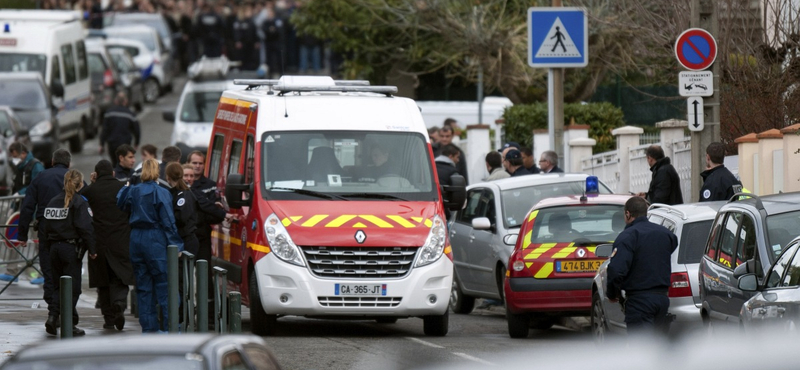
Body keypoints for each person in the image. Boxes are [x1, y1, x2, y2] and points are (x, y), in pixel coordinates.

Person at [117, 159, 184, 333]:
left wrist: (126, 186)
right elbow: (168, 221)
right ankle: (171, 328)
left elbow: (120, 203)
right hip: (154, 238)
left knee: (143, 287)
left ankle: (149, 329)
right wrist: (176, 244)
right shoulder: (161, 193)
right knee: (165, 284)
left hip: (136, 237)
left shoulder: (133, 191)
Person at [606, 197, 677, 336]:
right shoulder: (665, 234)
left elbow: (616, 270)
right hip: (662, 300)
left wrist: (612, 293)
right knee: (657, 346)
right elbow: (672, 245)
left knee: (641, 350)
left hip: (640, 301)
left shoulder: (627, 237)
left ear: (628, 214)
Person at [18, 149, 72, 331]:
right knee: (68, 272)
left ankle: (53, 312)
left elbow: (27, 206)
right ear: (69, 163)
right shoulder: (72, 177)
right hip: (68, 231)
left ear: (52, 161)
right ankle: (65, 313)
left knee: (49, 271)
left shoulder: (41, 177)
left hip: (45, 229)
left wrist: (22, 234)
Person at [81, 160, 134, 331]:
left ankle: (109, 318)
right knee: (120, 277)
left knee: (102, 282)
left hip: (98, 243)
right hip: (121, 241)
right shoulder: (123, 188)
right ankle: (119, 303)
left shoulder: (90, 190)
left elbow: (81, 205)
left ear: (96, 174)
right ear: (112, 173)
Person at [43, 169, 96, 336]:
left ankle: (53, 316)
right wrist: (93, 250)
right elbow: (86, 228)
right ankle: (69, 324)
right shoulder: (79, 202)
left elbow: (44, 228)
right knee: (73, 288)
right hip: (70, 249)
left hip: (53, 249)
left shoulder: (52, 201)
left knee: (58, 285)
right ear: (80, 184)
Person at [0, 142, 45, 284]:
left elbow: (37, 185)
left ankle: (43, 273)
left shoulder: (35, 166)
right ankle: (11, 271)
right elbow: (17, 186)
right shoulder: (20, 167)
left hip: (34, 212)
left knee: (39, 243)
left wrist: (21, 193)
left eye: (15, 156)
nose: (14, 159)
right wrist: (14, 206)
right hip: (21, 210)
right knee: (13, 239)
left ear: (23, 153)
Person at [165, 162, 199, 257]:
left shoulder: (184, 195)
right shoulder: (174, 193)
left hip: (186, 240)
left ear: (168, 177)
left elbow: (180, 218)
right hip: (180, 238)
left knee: (183, 270)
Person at [100, 92, 140, 167]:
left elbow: (105, 129)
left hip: (112, 144)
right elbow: (136, 130)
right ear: (126, 101)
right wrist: (136, 143)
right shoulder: (130, 114)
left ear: (116, 101)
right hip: (125, 144)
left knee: (115, 164)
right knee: (124, 165)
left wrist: (101, 144)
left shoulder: (109, 113)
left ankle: (116, 176)